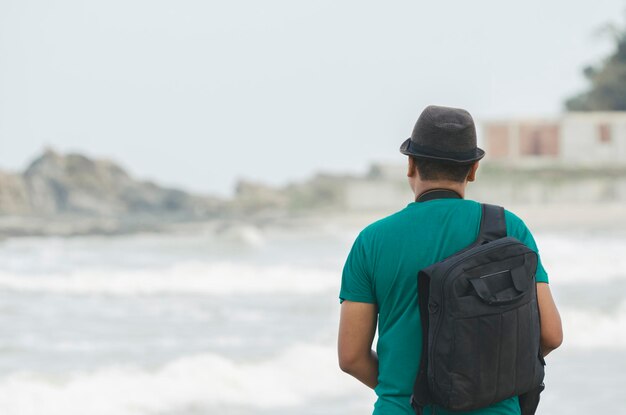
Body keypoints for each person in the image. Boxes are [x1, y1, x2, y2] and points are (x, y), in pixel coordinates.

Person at [337, 105, 563, 415]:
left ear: (410, 164)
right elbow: (550, 334)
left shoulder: (372, 240)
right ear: (473, 170)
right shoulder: (509, 229)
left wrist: (404, 391)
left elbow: (351, 357)